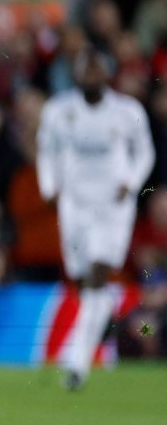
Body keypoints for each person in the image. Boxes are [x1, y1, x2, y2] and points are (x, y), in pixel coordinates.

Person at [37, 49, 155, 390]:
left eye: (97, 70)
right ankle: (101, 313)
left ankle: (77, 363)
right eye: (85, 70)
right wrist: (50, 186)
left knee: (98, 275)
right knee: (81, 280)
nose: (91, 77)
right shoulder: (59, 111)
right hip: (74, 203)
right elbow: (48, 149)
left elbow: (145, 151)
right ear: (76, 76)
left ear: (107, 75)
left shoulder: (127, 111)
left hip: (112, 206)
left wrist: (130, 183)